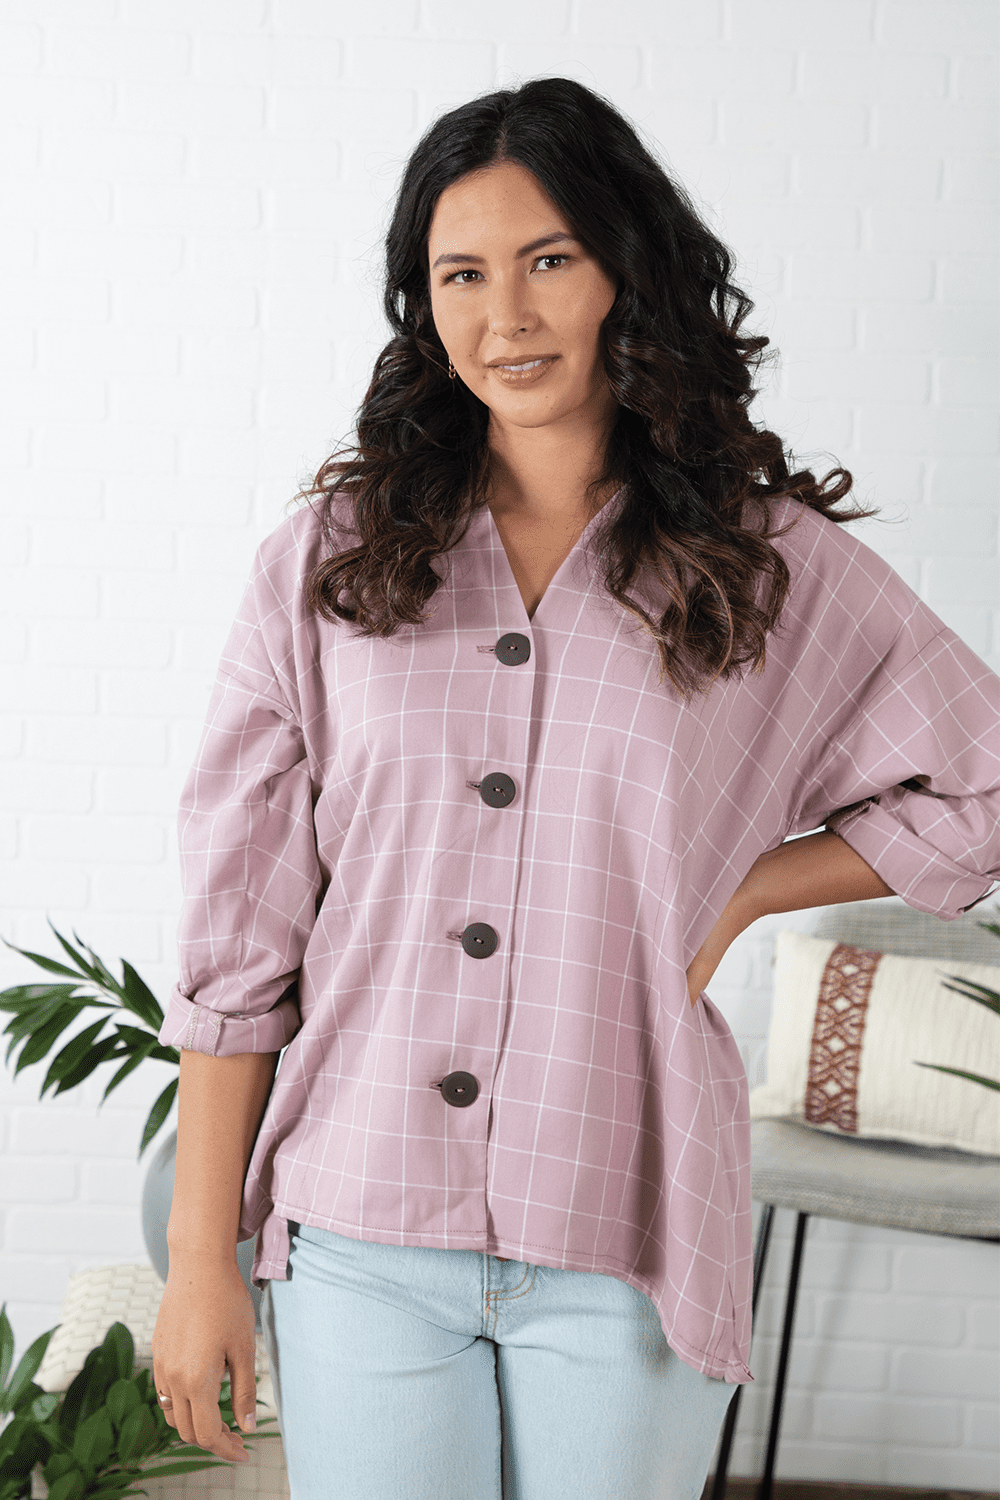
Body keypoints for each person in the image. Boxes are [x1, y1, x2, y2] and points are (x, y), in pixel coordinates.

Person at [150, 77, 1000, 1500]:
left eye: (547, 259)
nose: (508, 315)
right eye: (462, 275)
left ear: (623, 269)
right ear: (423, 305)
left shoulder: (765, 567)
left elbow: (982, 781)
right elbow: (239, 938)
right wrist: (199, 1261)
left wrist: (748, 888)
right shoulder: (330, 564)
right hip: (362, 1222)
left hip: (626, 1226)